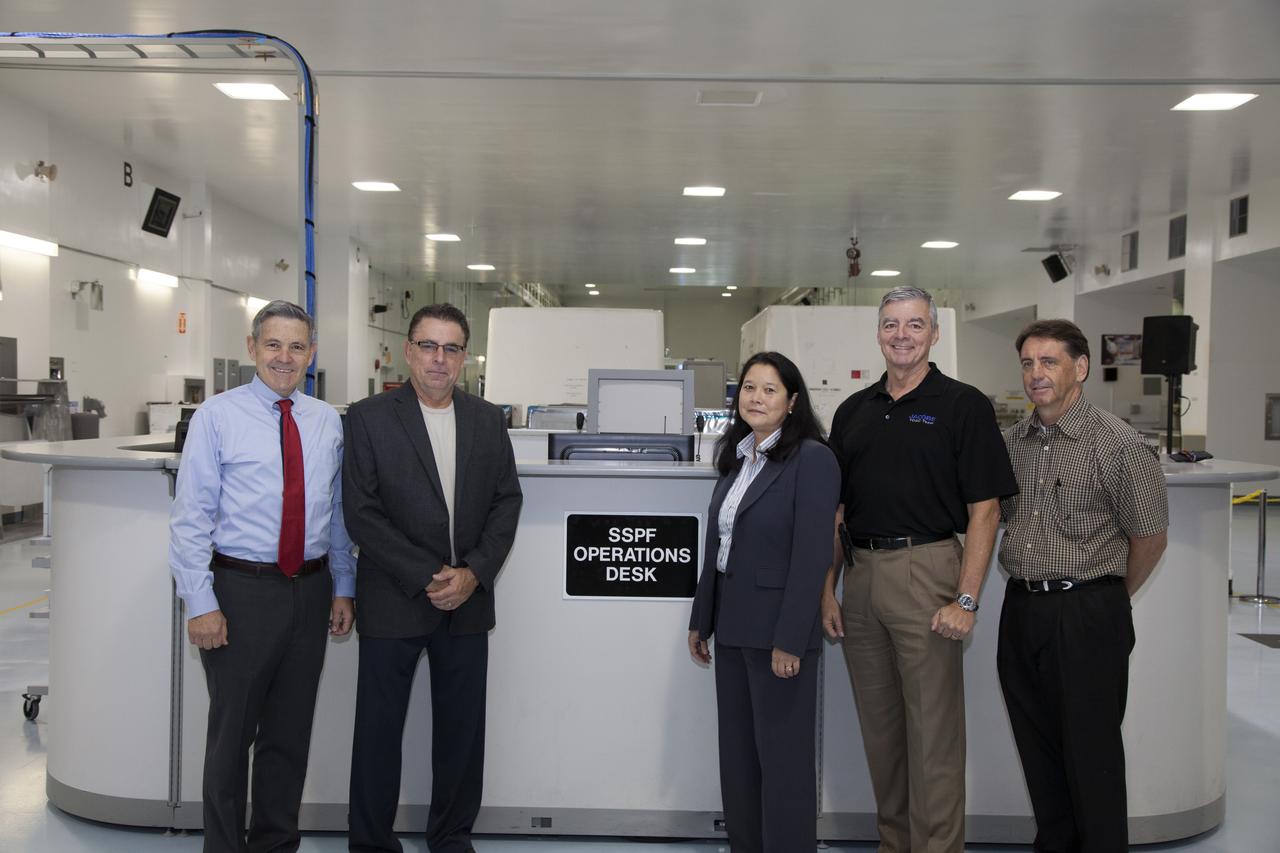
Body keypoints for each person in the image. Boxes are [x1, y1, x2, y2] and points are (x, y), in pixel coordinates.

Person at [820, 286, 1017, 853]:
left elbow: (986, 510)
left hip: (928, 572)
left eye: (913, 325)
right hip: (861, 577)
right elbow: (836, 513)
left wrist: (967, 599)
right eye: (890, 325)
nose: (901, 335)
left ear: (934, 333)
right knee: (882, 738)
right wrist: (827, 590)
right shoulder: (853, 412)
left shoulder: (963, 405)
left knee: (933, 740)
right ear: (877, 333)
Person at [169, 299, 355, 853]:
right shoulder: (217, 417)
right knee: (231, 740)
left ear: (311, 354)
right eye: (273, 344)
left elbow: (336, 512)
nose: (284, 356)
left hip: (311, 588)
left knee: (288, 738)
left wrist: (343, 585)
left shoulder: (325, 422)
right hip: (240, 592)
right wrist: (200, 602)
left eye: (297, 346)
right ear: (252, 348)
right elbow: (190, 520)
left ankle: (276, 846)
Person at [344, 303, 522, 853]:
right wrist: (427, 575)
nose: (439, 360)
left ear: (465, 357)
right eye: (428, 346)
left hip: (467, 603)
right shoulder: (369, 418)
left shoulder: (488, 419)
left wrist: (473, 573)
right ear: (408, 350)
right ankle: (372, 843)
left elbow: (506, 501)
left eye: (451, 349)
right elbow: (362, 513)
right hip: (395, 598)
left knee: (461, 735)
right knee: (378, 734)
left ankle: (450, 837)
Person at [997, 319, 1168, 852]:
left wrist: (1107, 599)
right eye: (1027, 363)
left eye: (1049, 362)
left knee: (1091, 760)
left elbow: (1150, 538)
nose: (1035, 374)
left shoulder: (1119, 444)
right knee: (1039, 754)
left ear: (1081, 368)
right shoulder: (1009, 445)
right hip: (1022, 610)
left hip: (1089, 612)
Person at [688, 351, 839, 853]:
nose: (756, 397)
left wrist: (791, 639)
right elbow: (720, 545)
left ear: (793, 401)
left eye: (770, 389)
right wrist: (701, 620)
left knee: (785, 765)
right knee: (739, 761)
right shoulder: (739, 457)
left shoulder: (813, 458)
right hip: (731, 628)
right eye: (748, 387)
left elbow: (812, 553)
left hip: (778, 634)